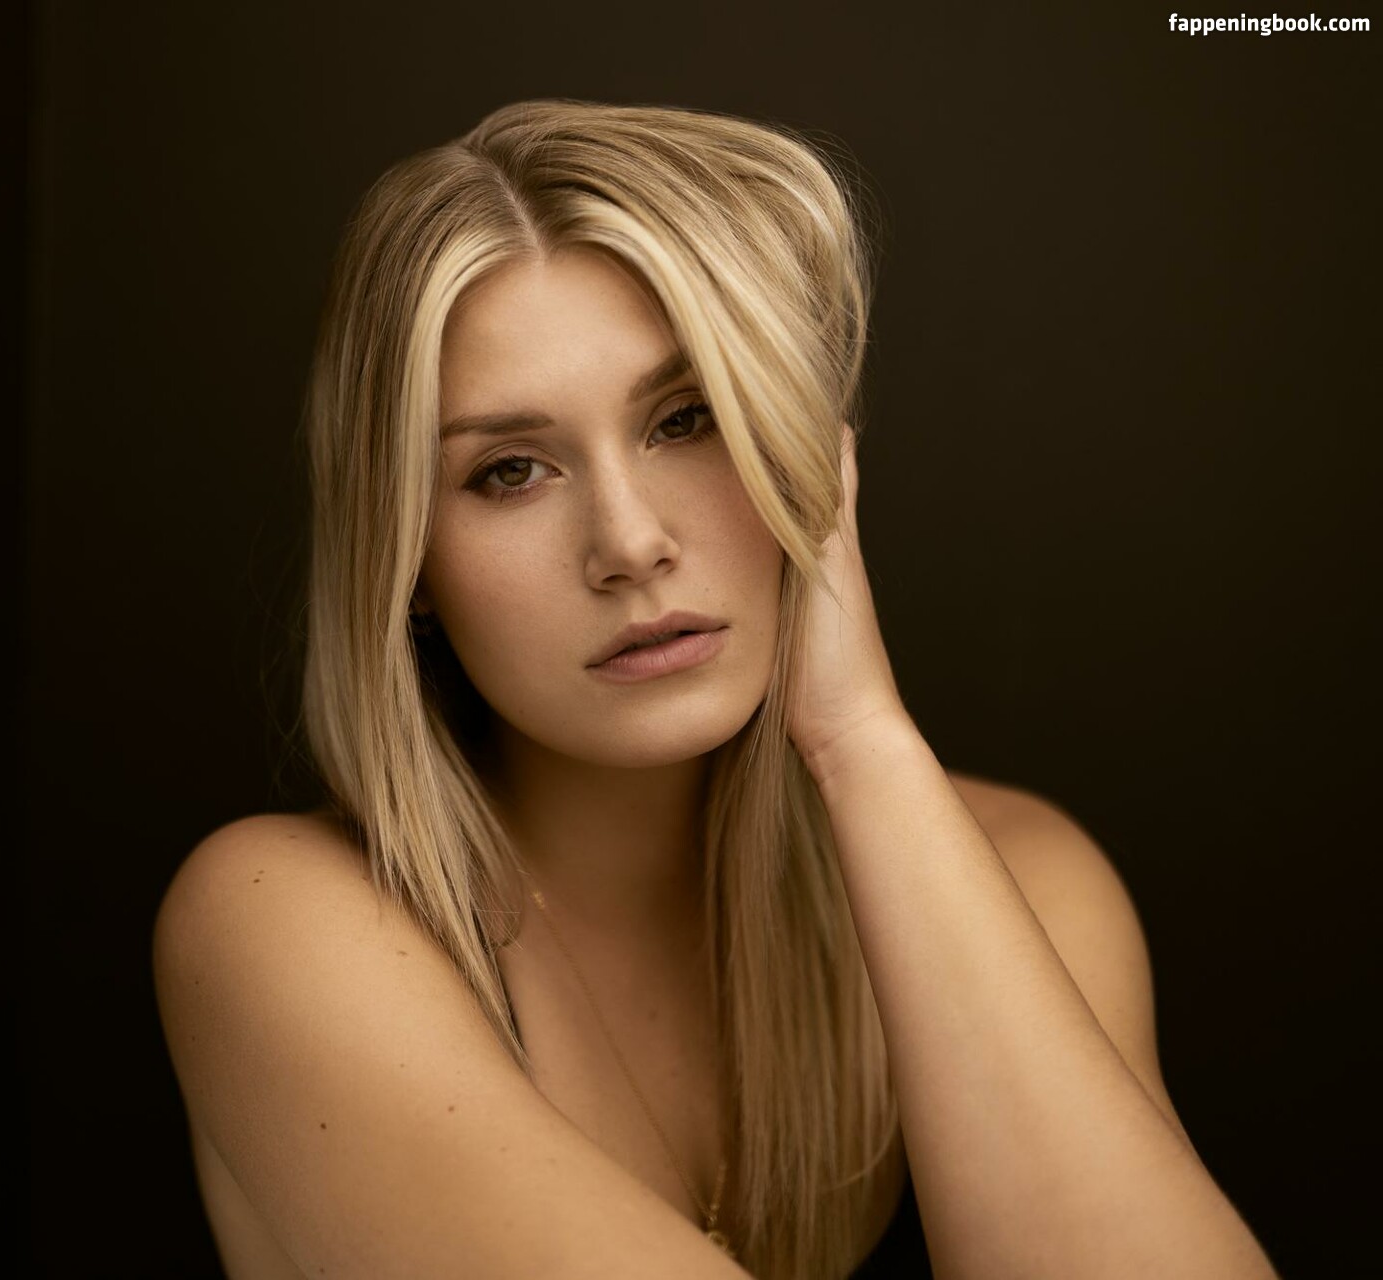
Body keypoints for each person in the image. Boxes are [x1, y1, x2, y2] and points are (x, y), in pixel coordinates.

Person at [152, 99, 1278, 1280]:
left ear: (803, 447)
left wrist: (861, 739)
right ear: (408, 560)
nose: (630, 543)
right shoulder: (280, 924)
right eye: (511, 470)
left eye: (686, 419)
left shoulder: (1030, 879)